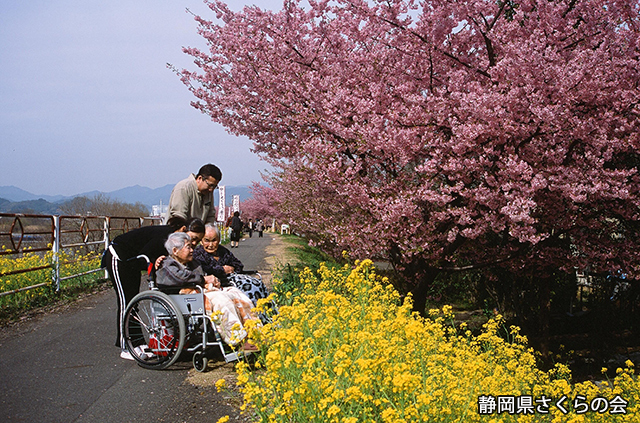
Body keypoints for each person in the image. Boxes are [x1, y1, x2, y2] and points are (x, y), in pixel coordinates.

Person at [101, 216, 205, 360]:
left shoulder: (174, 240)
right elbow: (145, 254)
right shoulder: (164, 237)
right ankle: (125, 346)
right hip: (119, 256)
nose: (194, 244)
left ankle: (138, 343)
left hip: (133, 262)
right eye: (193, 238)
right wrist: (154, 260)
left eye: (197, 241)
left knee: (134, 302)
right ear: (183, 229)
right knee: (126, 302)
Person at [156, 232, 259, 351]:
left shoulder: (191, 262)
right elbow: (182, 278)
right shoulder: (167, 264)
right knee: (221, 300)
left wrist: (211, 281)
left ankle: (254, 332)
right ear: (175, 251)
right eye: (188, 247)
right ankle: (237, 340)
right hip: (182, 295)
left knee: (235, 293)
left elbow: (201, 275)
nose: (192, 250)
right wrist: (203, 280)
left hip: (199, 292)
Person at [193, 224, 269, 306]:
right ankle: (254, 313)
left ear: (219, 240)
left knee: (257, 283)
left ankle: (266, 312)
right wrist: (222, 269)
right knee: (248, 288)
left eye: (214, 240)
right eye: (207, 240)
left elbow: (238, 265)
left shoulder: (223, 251)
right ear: (201, 241)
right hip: (219, 284)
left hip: (233, 280)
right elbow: (204, 270)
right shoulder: (197, 254)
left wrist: (231, 268)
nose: (210, 245)